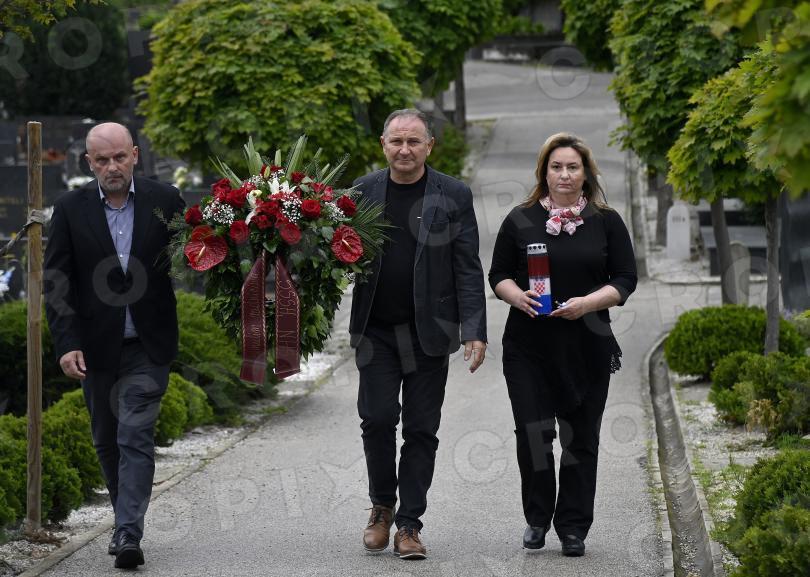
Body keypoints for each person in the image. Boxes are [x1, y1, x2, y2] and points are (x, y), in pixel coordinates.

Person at [488, 133, 637, 556]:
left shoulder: (607, 221)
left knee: (581, 438)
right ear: (544, 172)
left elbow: (626, 278)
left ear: (586, 173)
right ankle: (537, 517)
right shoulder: (520, 219)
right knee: (533, 434)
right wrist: (516, 296)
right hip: (529, 347)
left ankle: (573, 526)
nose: (565, 174)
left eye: (573, 167)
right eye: (556, 167)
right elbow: (497, 274)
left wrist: (588, 303)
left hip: (587, 345)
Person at [44, 122, 185, 569]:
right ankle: (125, 517)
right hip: (95, 347)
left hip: (148, 343)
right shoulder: (70, 208)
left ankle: (127, 531)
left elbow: (198, 253)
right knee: (106, 439)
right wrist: (67, 343)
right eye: (102, 160)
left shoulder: (166, 201)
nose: (112, 167)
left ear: (135, 155)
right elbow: (57, 281)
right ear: (89, 163)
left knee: (134, 436)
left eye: (119, 157)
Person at [349, 109, 487, 559]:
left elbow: (467, 266)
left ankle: (409, 524)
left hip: (430, 333)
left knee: (422, 429)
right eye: (396, 141)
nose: (404, 150)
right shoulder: (361, 192)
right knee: (377, 420)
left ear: (429, 145)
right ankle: (381, 507)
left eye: (413, 142)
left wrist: (474, 330)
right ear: (383, 145)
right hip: (376, 331)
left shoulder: (453, 194)